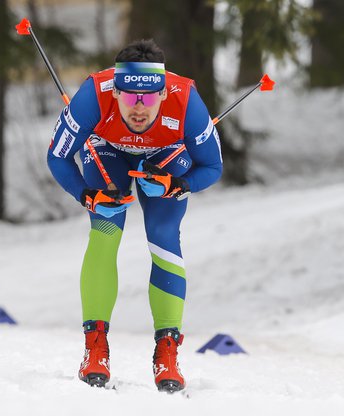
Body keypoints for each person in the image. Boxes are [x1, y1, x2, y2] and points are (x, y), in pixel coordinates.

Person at [46, 39, 223, 393]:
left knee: (163, 232)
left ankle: (167, 351)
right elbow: (57, 157)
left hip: (167, 155)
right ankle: (95, 348)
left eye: (147, 98)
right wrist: (86, 195)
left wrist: (179, 184)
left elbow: (213, 166)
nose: (138, 108)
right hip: (107, 150)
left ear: (163, 92)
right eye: (128, 98)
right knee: (106, 229)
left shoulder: (186, 100)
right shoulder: (93, 95)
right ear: (116, 93)